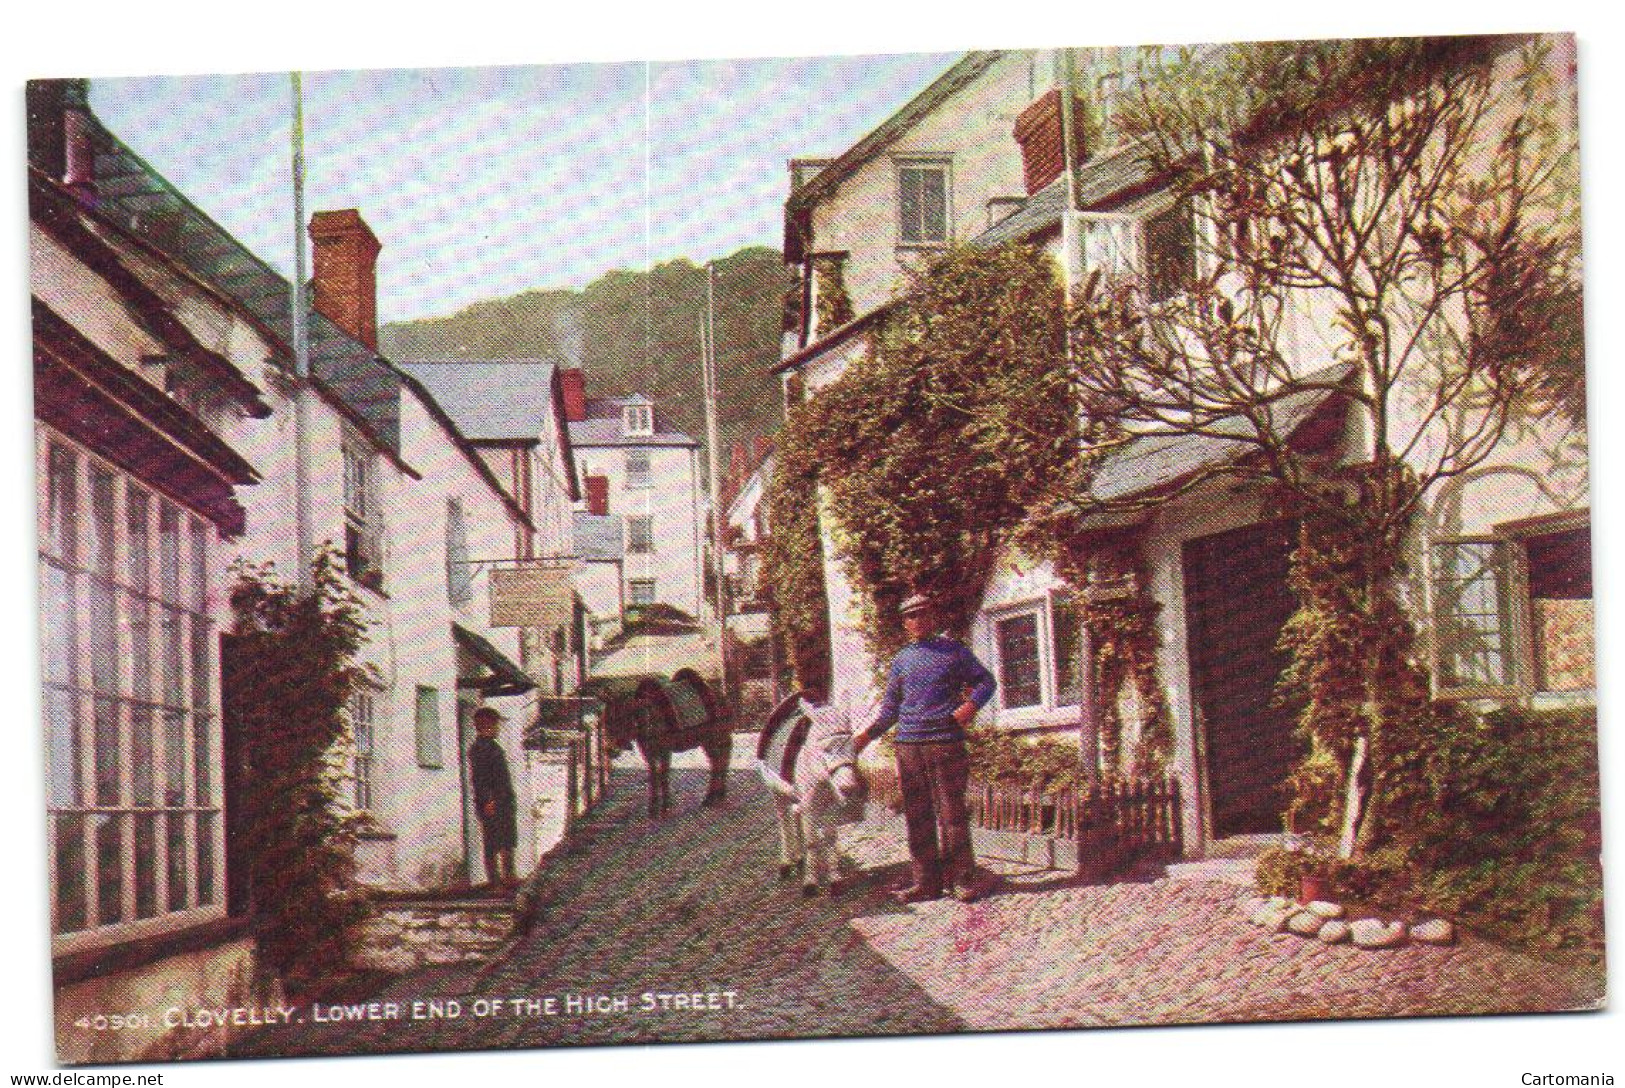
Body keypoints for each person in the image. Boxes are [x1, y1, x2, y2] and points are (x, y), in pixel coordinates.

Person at [853, 592, 996, 903]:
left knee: (952, 814)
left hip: (945, 743)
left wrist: (970, 707)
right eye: (911, 616)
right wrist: (866, 737)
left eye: (923, 614)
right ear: (905, 623)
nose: (917, 620)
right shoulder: (902, 660)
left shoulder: (955, 652)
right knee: (917, 816)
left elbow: (987, 682)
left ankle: (963, 879)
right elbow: (890, 709)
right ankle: (926, 883)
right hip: (908, 746)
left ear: (933, 616)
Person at [467, 706, 518, 889]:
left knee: (506, 839)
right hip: (493, 802)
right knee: (494, 841)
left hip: (502, 800)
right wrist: (488, 800)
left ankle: (506, 878)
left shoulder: (492, 747)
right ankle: (497, 881)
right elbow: (480, 778)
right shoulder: (481, 748)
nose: (498, 728)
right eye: (496, 724)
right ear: (488, 725)